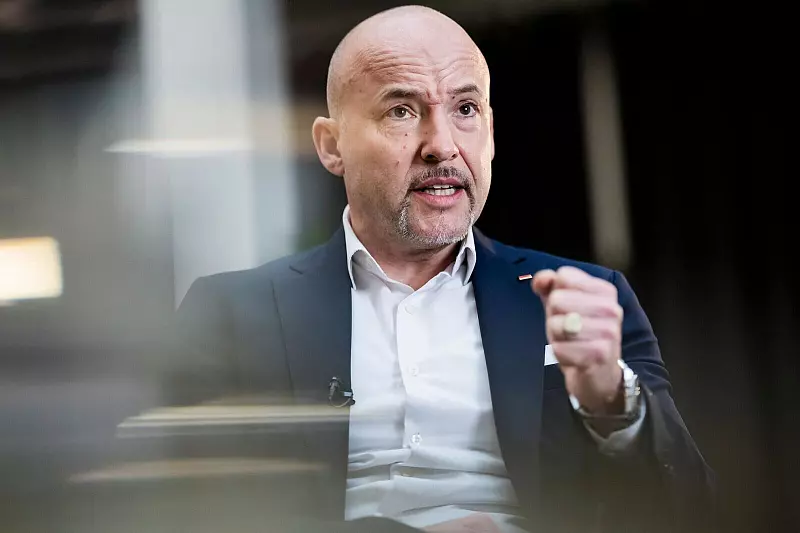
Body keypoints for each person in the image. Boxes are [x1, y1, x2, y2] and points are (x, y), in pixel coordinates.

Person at [173, 5, 713, 533]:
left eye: (465, 109)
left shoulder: (590, 297)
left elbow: (693, 509)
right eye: (401, 111)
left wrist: (614, 403)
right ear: (332, 146)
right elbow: (185, 511)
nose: (442, 146)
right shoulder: (230, 312)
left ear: (491, 134)